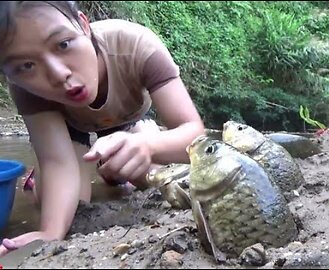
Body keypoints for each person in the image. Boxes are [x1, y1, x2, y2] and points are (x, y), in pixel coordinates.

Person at [0, 1, 205, 256]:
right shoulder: (23, 86)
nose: (59, 74)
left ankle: (117, 165)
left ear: (84, 26)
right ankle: (39, 181)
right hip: (69, 127)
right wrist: (50, 232)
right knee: (74, 207)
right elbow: (57, 161)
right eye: (26, 66)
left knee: (157, 181)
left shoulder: (136, 45)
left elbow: (195, 134)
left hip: (128, 119)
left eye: (63, 44)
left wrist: (148, 146)